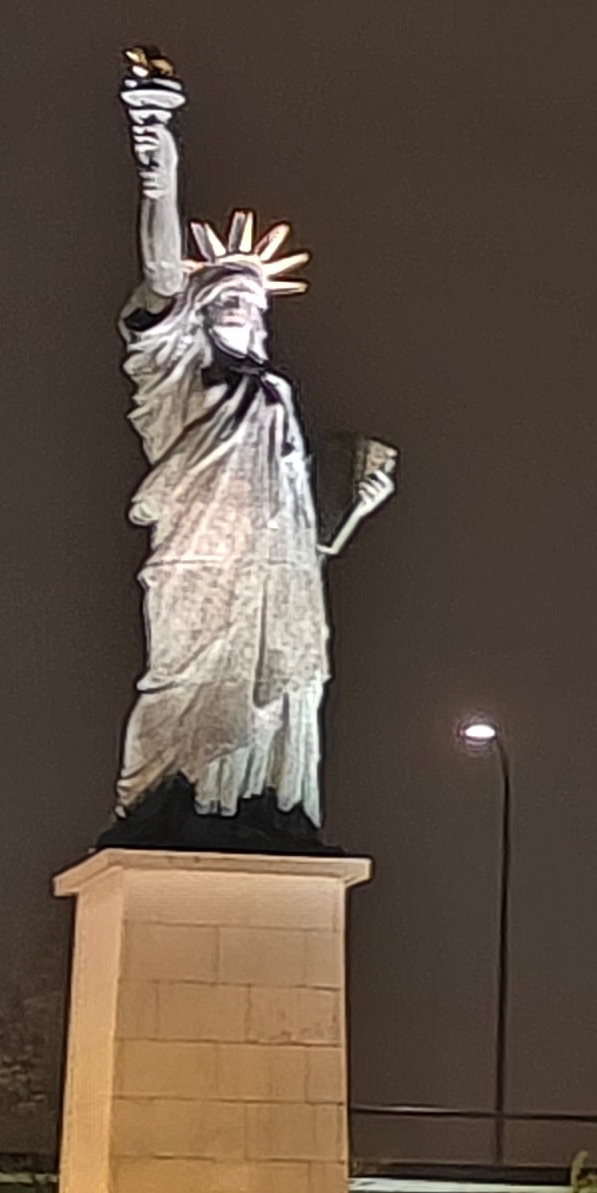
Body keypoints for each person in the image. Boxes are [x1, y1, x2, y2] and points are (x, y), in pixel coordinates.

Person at [98, 50, 395, 849]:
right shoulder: (175, 376)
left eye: (257, 308)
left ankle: (262, 800)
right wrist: (156, 148)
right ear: (199, 316)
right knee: (186, 679)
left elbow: (298, 529)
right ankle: (176, 799)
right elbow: (162, 269)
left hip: (278, 580)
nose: (249, 317)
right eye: (232, 302)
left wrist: (350, 509)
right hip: (199, 566)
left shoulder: (276, 398)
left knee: (284, 685)